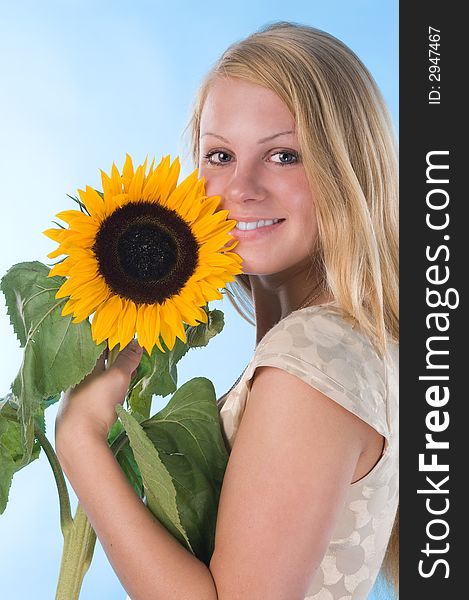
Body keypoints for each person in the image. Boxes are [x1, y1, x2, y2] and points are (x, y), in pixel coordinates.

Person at [55, 21, 399, 600]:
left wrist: (80, 442)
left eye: (284, 155)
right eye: (219, 154)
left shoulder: (311, 365)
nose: (240, 187)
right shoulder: (350, 341)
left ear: (350, 170)